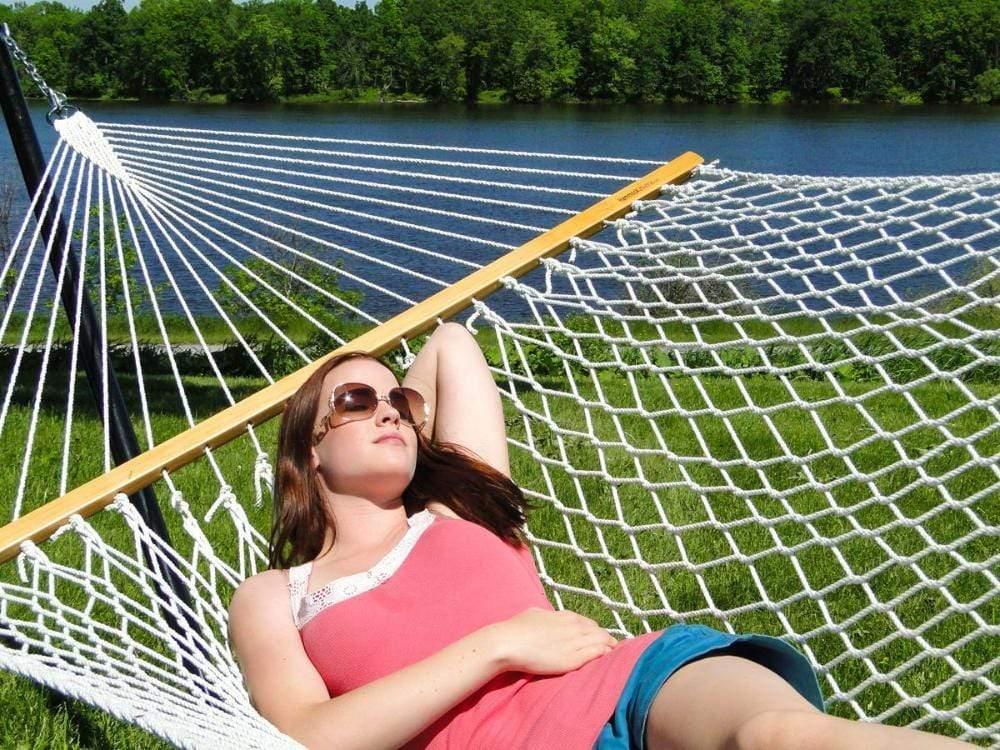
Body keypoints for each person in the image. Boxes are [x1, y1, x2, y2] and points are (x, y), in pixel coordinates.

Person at [228, 322, 974, 750]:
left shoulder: (459, 506)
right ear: (309, 449)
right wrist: (498, 645)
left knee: (775, 736)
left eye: (400, 399)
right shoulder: (277, 595)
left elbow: (452, 343)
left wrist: (391, 415)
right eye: (358, 400)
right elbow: (314, 737)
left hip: (625, 685)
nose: (390, 409)